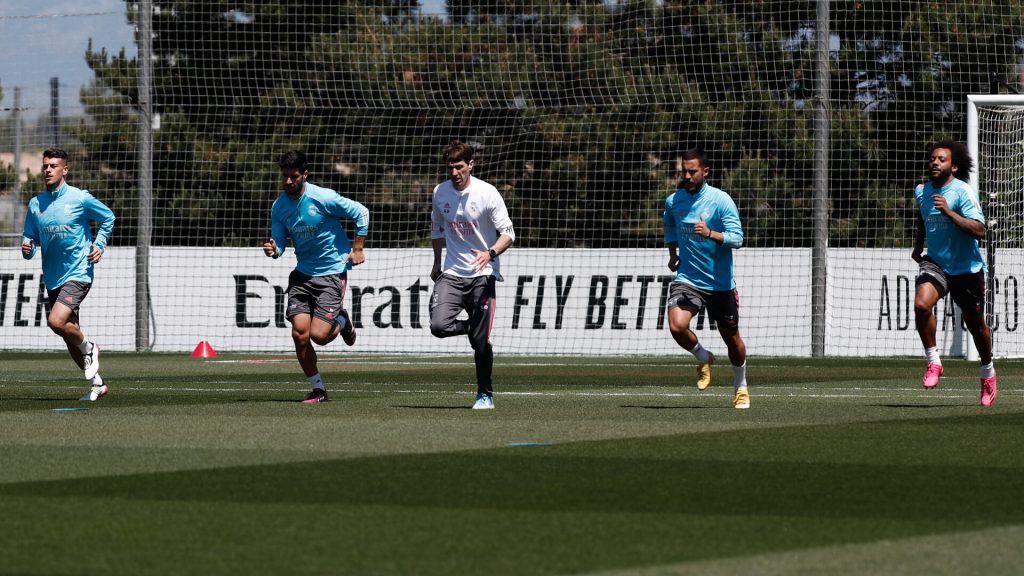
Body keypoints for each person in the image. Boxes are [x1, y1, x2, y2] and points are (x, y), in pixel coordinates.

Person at [262, 150, 369, 404]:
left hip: (331, 273)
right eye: (285, 176)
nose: (288, 181)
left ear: (305, 175)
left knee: (319, 336)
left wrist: (358, 249)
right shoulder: (279, 207)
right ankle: (318, 389)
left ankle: (342, 320)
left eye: (293, 176)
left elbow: (361, 212)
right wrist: (275, 249)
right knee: (300, 334)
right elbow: (279, 240)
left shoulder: (323, 197)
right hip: (302, 275)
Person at [21, 148, 116, 401]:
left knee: (56, 321)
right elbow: (29, 237)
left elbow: (108, 217)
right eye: (45, 166)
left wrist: (99, 244)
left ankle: (90, 347)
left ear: (65, 170)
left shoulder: (79, 198)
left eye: (53, 166)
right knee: (68, 333)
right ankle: (97, 384)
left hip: (79, 272)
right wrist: (27, 248)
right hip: (53, 277)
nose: (48, 170)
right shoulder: (35, 204)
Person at [429, 140, 515, 410]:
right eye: (450, 168)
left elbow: (508, 234)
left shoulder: (487, 193)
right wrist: (436, 262)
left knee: (480, 343)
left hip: (483, 274)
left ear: (471, 165)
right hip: (452, 273)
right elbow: (437, 228)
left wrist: (490, 253)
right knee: (438, 326)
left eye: (459, 167)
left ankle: (484, 394)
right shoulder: (440, 192)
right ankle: (475, 327)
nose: (454, 173)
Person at [912, 141, 997, 407]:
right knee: (921, 305)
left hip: (966, 269)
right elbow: (923, 217)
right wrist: (919, 244)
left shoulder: (963, 192)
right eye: (932, 159)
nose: (935, 162)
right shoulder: (922, 191)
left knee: (976, 326)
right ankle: (934, 362)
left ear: (954, 166)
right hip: (936, 263)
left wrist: (949, 212)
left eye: (942, 159)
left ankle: (987, 372)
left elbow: (979, 230)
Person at [663, 148, 749, 409]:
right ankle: (702, 356)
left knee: (732, 339)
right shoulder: (673, 201)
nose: (688, 176)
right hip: (688, 279)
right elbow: (670, 225)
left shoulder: (720, 201)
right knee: (677, 326)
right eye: (684, 172)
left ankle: (741, 386)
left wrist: (711, 233)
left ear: (705, 171)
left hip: (720, 284)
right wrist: (673, 254)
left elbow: (738, 238)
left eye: (693, 172)